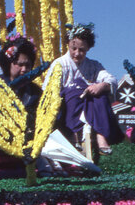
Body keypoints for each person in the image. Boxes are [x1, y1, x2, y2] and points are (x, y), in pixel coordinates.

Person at [45, 23, 123, 154]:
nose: (77, 53)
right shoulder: (59, 64)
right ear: (68, 45)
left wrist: (101, 85)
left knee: (100, 94)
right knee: (76, 88)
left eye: (82, 50)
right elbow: (49, 90)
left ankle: (101, 136)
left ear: (88, 49)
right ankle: (73, 134)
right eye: (73, 48)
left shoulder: (93, 65)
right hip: (66, 105)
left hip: (90, 103)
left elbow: (111, 79)